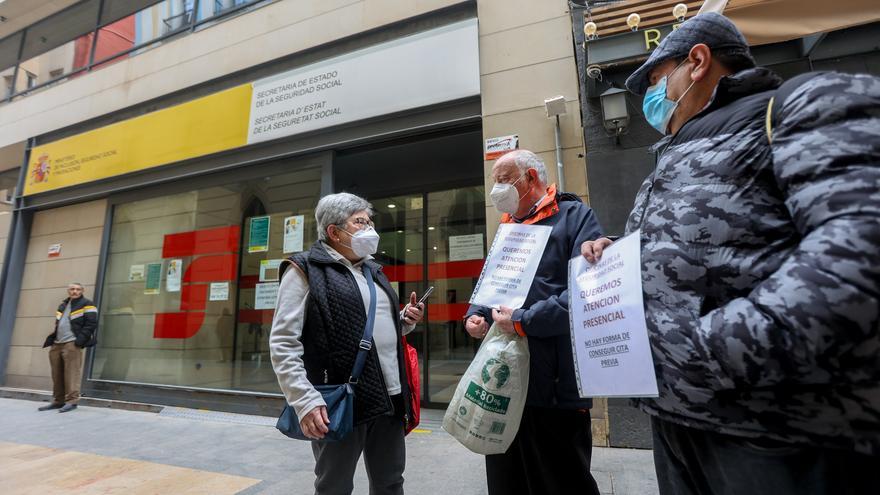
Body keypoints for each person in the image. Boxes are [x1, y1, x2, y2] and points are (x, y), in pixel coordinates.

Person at [581, 12, 880, 495]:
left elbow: (858, 250)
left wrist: (707, 351)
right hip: (678, 419)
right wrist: (619, 255)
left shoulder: (800, 106)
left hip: (774, 433)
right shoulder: (675, 151)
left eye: (657, 81)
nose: (650, 102)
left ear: (697, 62)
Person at [464, 150, 603, 495]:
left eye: (504, 179)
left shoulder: (575, 217)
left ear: (531, 177)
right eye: (494, 180)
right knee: (506, 479)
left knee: (560, 478)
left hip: (554, 386)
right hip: (503, 384)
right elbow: (489, 286)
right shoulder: (507, 228)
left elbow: (584, 294)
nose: (497, 188)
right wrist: (474, 315)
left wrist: (523, 321)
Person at [269, 192, 424, 495]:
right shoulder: (304, 270)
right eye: (360, 222)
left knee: (391, 482)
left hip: (390, 397)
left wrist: (404, 320)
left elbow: (374, 329)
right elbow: (283, 342)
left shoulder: (373, 271)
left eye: (369, 221)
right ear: (334, 232)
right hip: (339, 401)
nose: (370, 229)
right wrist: (304, 400)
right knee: (334, 486)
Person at [39, 282, 98, 413]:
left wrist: (79, 341)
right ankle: (58, 401)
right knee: (57, 374)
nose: (75, 291)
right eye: (72, 289)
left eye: (78, 289)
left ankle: (72, 401)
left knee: (72, 373)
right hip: (57, 343)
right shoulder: (63, 305)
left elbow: (91, 324)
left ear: (82, 291)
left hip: (72, 343)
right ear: (68, 291)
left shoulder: (88, 304)